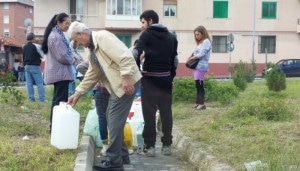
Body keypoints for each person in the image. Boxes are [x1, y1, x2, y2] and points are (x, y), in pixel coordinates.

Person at [67, 21, 142, 171]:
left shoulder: (102, 37)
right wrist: (78, 93)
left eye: (76, 40)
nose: (77, 44)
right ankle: (122, 156)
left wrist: (126, 77)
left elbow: (125, 56)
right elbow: (93, 73)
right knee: (111, 118)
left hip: (127, 83)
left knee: (113, 120)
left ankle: (115, 163)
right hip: (119, 85)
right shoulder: (92, 49)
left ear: (81, 34)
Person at [134, 9, 178, 157]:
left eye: (143, 22)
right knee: (166, 113)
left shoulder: (146, 35)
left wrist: (137, 71)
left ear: (150, 21)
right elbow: (175, 61)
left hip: (150, 81)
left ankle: (150, 147)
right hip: (165, 81)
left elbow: (136, 53)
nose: (141, 26)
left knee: (149, 114)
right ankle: (167, 146)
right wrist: (171, 78)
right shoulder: (172, 37)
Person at [41, 13, 74, 132]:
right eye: (66, 23)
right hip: (60, 73)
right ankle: (55, 127)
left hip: (59, 73)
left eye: (69, 24)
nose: (68, 26)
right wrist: (73, 59)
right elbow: (63, 56)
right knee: (60, 101)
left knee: (57, 100)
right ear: (59, 22)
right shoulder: (56, 36)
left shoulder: (56, 34)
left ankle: (55, 126)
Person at [186, 25, 211, 110]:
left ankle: (201, 103)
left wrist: (192, 58)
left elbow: (202, 54)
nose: (196, 36)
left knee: (200, 85)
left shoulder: (206, 41)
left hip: (201, 66)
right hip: (197, 66)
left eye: (198, 34)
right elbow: (195, 53)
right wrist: (190, 57)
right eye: (195, 35)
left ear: (203, 33)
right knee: (198, 85)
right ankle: (198, 102)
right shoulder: (200, 43)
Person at [22, 32, 46, 102]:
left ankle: (31, 99)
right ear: (33, 38)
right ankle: (41, 99)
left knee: (29, 83)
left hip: (26, 66)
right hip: (35, 65)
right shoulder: (36, 46)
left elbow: (23, 57)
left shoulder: (24, 46)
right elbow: (42, 55)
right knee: (39, 83)